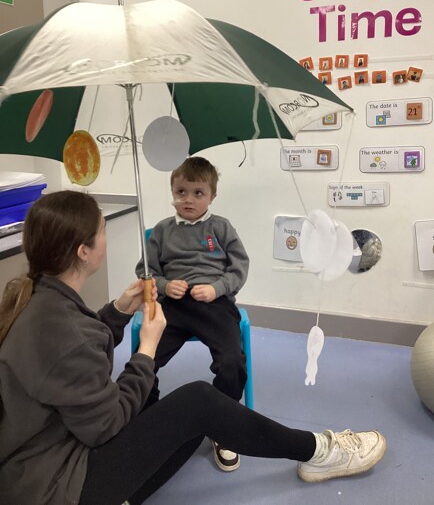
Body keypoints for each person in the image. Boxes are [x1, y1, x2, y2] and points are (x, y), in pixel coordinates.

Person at [0, 191, 387, 505]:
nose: (106, 236)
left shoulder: (40, 303)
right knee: (199, 402)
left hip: (41, 460)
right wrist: (146, 351)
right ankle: (319, 452)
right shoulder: (62, 326)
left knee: (198, 418)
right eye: (102, 230)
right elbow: (108, 424)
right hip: (56, 487)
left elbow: (80, 348)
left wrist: (119, 311)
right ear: (84, 251)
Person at [135, 156, 249, 472]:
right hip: (172, 306)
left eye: (198, 193)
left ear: (212, 196)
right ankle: (148, 420)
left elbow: (239, 268)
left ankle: (222, 427)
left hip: (214, 306)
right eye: (181, 192)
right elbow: (145, 270)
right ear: (172, 192)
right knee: (144, 360)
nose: (188, 199)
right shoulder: (162, 230)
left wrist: (216, 288)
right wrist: (163, 284)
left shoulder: (221, 227)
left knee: (232, 362)